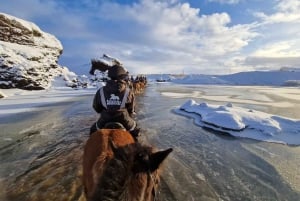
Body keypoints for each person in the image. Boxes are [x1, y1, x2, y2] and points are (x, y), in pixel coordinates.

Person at [90, 65, 140, 139]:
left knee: (92, 131)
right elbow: (131, 110)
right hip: (124, 119)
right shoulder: (128, 91)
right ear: (122, 77)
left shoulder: (100, 91)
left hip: (104, 119)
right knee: (136, 131)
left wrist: (106, 109)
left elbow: (96, 108)